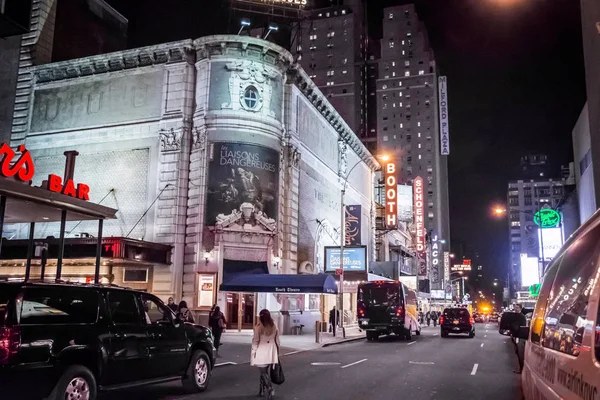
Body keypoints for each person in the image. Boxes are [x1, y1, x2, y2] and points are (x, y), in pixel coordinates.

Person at [251, 309, 280, 399]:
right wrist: (277, 352)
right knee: (264, 371)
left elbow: (255, 340)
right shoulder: (274, 325)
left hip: (262, 351)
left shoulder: (259, 326)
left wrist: (253, 352)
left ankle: (270, 388)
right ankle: (261, 390)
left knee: (263, 372)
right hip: (271, 351)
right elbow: (277, 340)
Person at [510, 304, 527, 374]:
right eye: (515, 308)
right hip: (514, 336)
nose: (515, 309)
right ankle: (521, 368)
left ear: (520, 308)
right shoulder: (513, 316)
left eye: (517, 308)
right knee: (517, 352)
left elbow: (522, 327)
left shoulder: (522, 317)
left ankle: (522, 369)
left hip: (520, 337)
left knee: (520, 353)